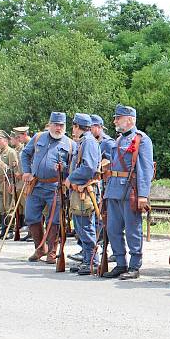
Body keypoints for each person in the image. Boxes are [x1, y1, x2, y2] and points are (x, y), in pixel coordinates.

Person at [102, 104, 154, 280]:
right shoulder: (117, 140)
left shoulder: (141, 140)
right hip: (114, 189)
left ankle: (134, 265)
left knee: (133, 229)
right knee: (112, 229)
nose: (115, 121)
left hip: (129, 190)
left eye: (119, 118)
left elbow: (146, 169)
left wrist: (143, 195)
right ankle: (120, 263)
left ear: (130, 119)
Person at [21, 112, 74, 263]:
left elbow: (74, 166)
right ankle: (40, 248)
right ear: (50, 124)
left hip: (55, 187)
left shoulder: (70, 144)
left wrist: (66, 174)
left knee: (55, 220)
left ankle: (52, 252)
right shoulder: (38, 137)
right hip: (36, 184)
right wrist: (26, 171)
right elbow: (25, 154)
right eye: (56, 125)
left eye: (61, 125)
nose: (58, 128)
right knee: (31, 216)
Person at [65, 113, 100, 275]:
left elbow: (89, 168)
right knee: (80, 226)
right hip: (79, 191)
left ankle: (93, 261)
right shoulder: (84, 141)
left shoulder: (88, 142)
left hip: (85, 191)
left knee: (86, 226)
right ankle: (87, 259)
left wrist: (71, 177)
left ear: (77, 126)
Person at [0, 130, 20, 239]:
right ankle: (3, 229)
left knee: (9, 206)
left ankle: (10, 229)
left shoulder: (11, 152)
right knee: (1, 207)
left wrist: (12, 184)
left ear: (6, 141)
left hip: (7, 182)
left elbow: (14, 169)